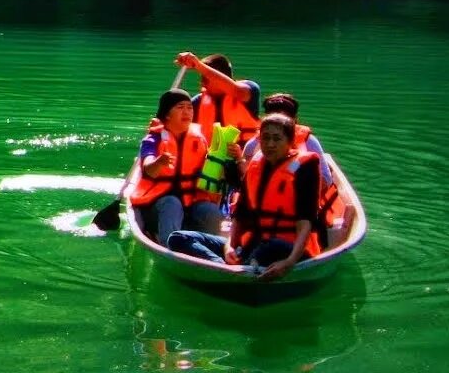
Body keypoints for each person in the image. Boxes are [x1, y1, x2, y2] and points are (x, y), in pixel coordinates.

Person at [165, 114, 322, 281]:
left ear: (291, 142)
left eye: (277, 139)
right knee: (178, 238)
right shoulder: (256, 165)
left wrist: (289, 262)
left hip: (290, 249)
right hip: (253, 244)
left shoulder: (305, 167)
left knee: (271, 246)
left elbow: (305, 222)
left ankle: (232, 275)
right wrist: (229, 246)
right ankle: (227, 270)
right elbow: (240, 215)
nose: (270, 144)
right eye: (265, 138)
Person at [242, 92, 354, 247]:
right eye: (272, 117)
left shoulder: (310, 143)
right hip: (263, 209)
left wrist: (297, 193)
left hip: (300, 209)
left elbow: (326, 180)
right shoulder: (253, 145)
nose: (270, 143)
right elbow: (247, 181)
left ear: (293, 121)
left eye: (284, 119)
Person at [129, 89, 225, 245]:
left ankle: (214, 249)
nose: (187, 112)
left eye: (189, 107)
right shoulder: (153, 140)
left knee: (211, 211)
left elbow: (210, 172)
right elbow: (148, 168)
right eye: (180, 107)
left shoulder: (199, 139)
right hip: (157, 208)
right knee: (172, 203)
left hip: (190, 204)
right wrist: (159, 162)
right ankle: (171, 246)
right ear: (167, 114)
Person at [176, 50, 261, 145]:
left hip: (244, 156)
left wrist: (198, 65)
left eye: (205, 78)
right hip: (211, 158)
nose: (202, 83)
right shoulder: (198, 102)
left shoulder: (248, 90)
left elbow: (238, 91)